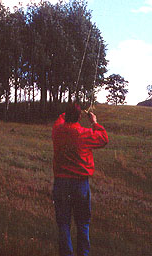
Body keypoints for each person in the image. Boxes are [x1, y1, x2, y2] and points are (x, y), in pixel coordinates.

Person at [52, 102, 108, 256]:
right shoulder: (84, 133)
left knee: (63, 223)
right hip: (80, 184)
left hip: (61, 182)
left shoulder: (57, 130)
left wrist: (70, 112)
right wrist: (94, 122)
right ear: (79, 117)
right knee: (83, 223)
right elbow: (103, 139)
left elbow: (60, 118)